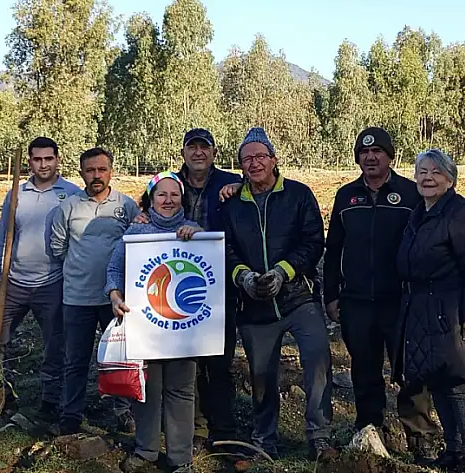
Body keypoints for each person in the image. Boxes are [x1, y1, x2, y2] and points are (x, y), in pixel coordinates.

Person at [323, 128, 436, 460]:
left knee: (410, 371)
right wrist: (331, 295)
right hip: (356, 302)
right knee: (364, 370)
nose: (370, 158)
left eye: (378, 153)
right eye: (363, 153)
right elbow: (333, 251)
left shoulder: (410, 194)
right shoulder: (346, 196)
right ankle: (369, 433)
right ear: (357, 157)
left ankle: (419, 439)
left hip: (400, 301)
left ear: (391, 156)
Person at [223, 127, 334, 460]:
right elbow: (226, 248)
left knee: (317, 359)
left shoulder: (299, 195)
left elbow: (314, 241)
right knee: (261, 375)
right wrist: (242, 276)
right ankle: (264, 438)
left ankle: (320, 436)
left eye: (260, 156)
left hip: (298, 297)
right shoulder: (232, 205)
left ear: (274, 159)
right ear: (241, 166)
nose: (255, 164)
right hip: (254, 306)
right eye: (247, 159)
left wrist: (283, 272)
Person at [394, 149, 465, 473]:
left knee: (459, 384)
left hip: (451, 312)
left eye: (435, 172)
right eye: (422, 171)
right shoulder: (419, 214)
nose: (427, 177)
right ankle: (453, 451)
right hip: (422, 310)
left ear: (450, 178)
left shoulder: (462, 214)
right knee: (438, 381)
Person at [0, 137, 80, 424]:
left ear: (57, 159)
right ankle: (1, 392)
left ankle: (50, 400)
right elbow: (2, 237)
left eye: (48, 159)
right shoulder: (16, 195)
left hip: (53, 283)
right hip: (14, 283)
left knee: (55, 346)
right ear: (29, 161)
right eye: (37, 159)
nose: (43, 164)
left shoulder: (72, 194)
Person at [105, 171, 202, 473]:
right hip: (146, 328)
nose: (168, 200)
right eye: (162, 194)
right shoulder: (135, 233)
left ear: (182, 198)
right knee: (147, 389)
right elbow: (114, 270)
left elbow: (210, 264)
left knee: (182, 391)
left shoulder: (197, 232)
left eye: (174, 194)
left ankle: (180, 458)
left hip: (183, 328)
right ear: (151, 199)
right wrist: (115, 296)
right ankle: (146, 450)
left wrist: (194, 237)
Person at [51, 147, 142, 435]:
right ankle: (70, 415)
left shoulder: (126, 207)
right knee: (75, 360)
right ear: (81, 173)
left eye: (102, 169)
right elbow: (58, 249)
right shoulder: (68, 208)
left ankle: (123, 411)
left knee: (119, 358)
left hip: (114, 299)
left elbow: (137, 244)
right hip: (76, 298)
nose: (96, 175)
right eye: (90, 170)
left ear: (111, 171)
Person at [176, 128, 243, 453]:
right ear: (184, 153)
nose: (198, 153)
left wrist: (240, 185)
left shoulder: (230, 183)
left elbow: (261, 189)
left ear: (214, 153)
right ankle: (194, 428)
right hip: (178, 287)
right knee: (188, 361)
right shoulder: (170, 185)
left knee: (219, 360)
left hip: (221, 288)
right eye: (193, 147)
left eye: (205, 148)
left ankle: (224, 430)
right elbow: (149, 214)